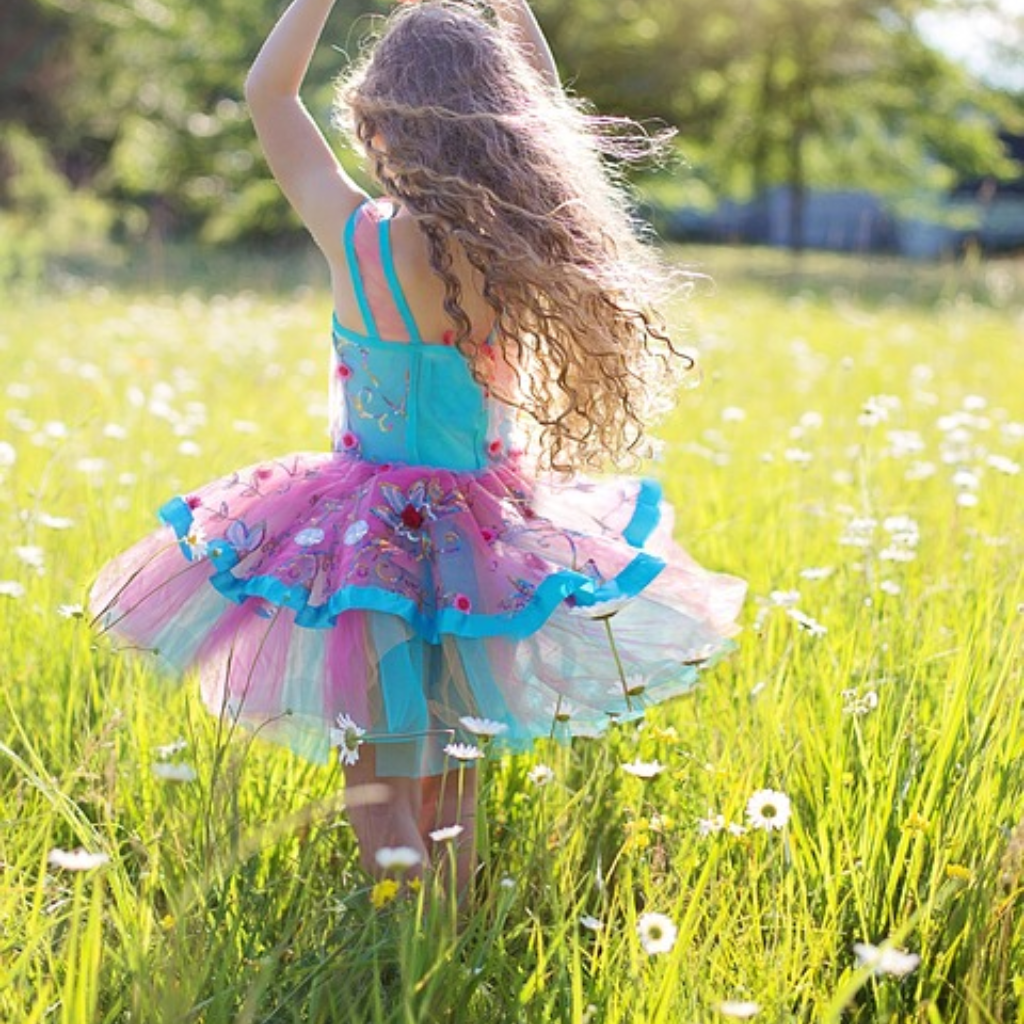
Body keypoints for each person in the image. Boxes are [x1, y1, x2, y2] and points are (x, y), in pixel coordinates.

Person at [89, 0, 745, 895]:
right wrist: (511, 9)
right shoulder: (520, 243)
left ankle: (403, 931)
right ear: (507, 135)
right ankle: (452, 929)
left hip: (369, 536)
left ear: (376, 124)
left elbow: (267, 92)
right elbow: (547, 103)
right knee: (455, 759)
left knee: (378, 759)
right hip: (486, 531)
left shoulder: (360, 237)